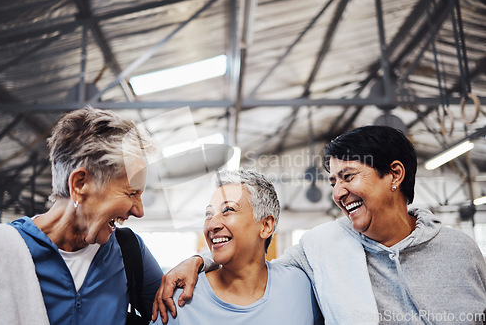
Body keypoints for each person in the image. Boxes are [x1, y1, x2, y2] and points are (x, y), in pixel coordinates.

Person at [153, 125, 486, 325]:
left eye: (348, 177)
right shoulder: (322, 247)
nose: (338, 193)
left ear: (394, 175)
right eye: (332, 182)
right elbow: (252, 265)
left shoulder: (460, 251)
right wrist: (198, 261)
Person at [9, 107, 163, 324]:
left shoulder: (129, 250)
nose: (139, 210)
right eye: (131, 193)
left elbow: (179, 312)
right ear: (80, 183)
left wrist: (201, 262)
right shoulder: (7, 250)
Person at [151, 169, 322, 324]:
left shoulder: (301, 286)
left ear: (266, 226)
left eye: (228, 210)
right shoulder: (179, 300)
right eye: (209, 214)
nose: (212, 225)